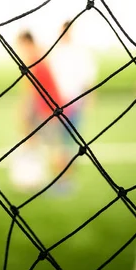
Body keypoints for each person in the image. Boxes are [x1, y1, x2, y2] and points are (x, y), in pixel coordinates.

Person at [12, 31, 64, 191]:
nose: (19, 49)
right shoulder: (39, 57)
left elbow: (32, 91)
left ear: (27, 43)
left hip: (47, 110)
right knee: (34, 143)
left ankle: (62, 183)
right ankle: (35, 179)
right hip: (45, 108)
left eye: (20, 45)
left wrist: (24, 113)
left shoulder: (34, 60)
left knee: (54, 147)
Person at [50, 21, 97, 179]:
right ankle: (61, 171)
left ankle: (67, 171)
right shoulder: (55, 52)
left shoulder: (80, 52)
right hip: (57, 102)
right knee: (58, 138)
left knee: (70, 137)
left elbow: (88, 77)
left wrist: (89, 97)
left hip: (75, 101)